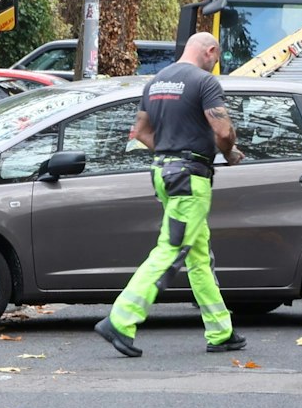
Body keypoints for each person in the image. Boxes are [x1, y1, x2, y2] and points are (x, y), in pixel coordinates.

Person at [96, 33, 245, 357]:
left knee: (198, 257)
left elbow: (142, 132)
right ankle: (120, 320)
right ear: (210, 51)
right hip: (191, 179)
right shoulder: (204, 82)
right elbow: (222, 131)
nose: (214, 65)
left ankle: (221, 331)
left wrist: (170, 154)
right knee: (171, 249)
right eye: (215, 59)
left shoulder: (157, 82)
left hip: (165, 174)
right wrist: (229, 149)